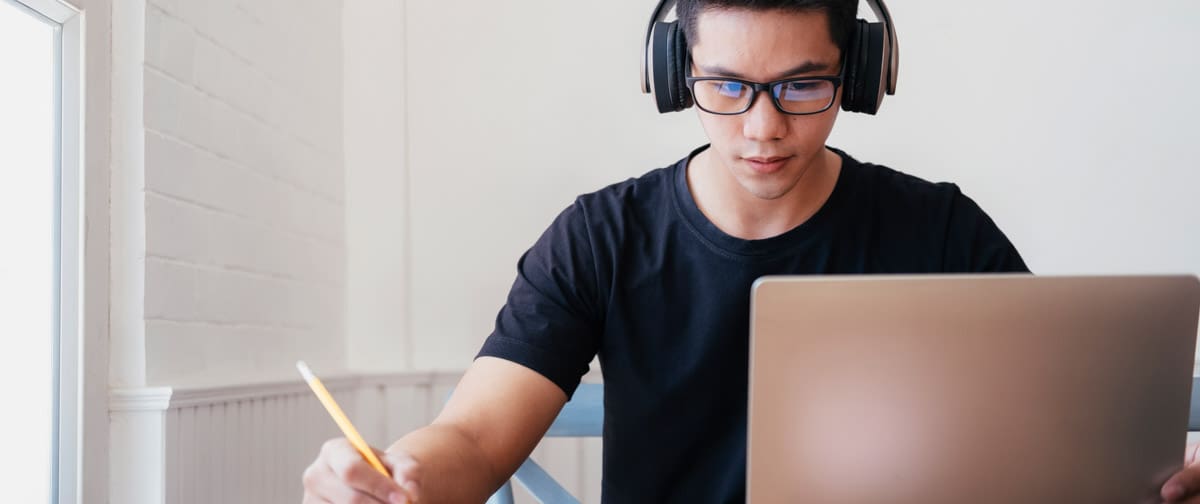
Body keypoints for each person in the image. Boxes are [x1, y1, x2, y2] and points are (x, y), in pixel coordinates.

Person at [302, 1, 1200, 502]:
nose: (763, 128)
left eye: (802, 84)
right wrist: (397, 477)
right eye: (727, 84)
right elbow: (473, 437)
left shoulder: (939, 230)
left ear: (858, 74)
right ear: (671, 78)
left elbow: (1055, 436)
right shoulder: (600, 238)